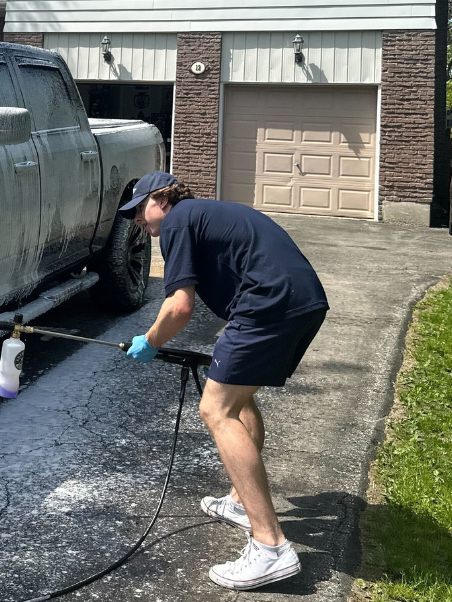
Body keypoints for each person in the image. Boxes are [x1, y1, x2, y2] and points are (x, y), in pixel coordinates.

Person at [119, 171, 328, 591]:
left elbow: (179, 307)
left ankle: (270, 547)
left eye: (139, 210)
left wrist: (150, 342)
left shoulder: (177, 222)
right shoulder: (206, 214)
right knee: (239, 400)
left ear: (161, 199)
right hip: (302, 302)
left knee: (216, 408)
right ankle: (238, 502)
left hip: (266, 306)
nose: (137, 221)